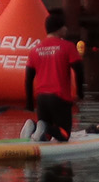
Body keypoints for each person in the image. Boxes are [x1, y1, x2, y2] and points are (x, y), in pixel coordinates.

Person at [21, 8, 84, 143]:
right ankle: (43, 126)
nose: (66, 29)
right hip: (60, 98)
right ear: (59, 29)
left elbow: (28, 78)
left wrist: (29, 103)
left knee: (45, 137)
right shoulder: (67, 46)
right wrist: (80, 93)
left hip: (42, 99)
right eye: (64, 26)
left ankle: (34, 126)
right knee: (64, 134)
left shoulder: (35, 50)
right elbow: (79, 70)